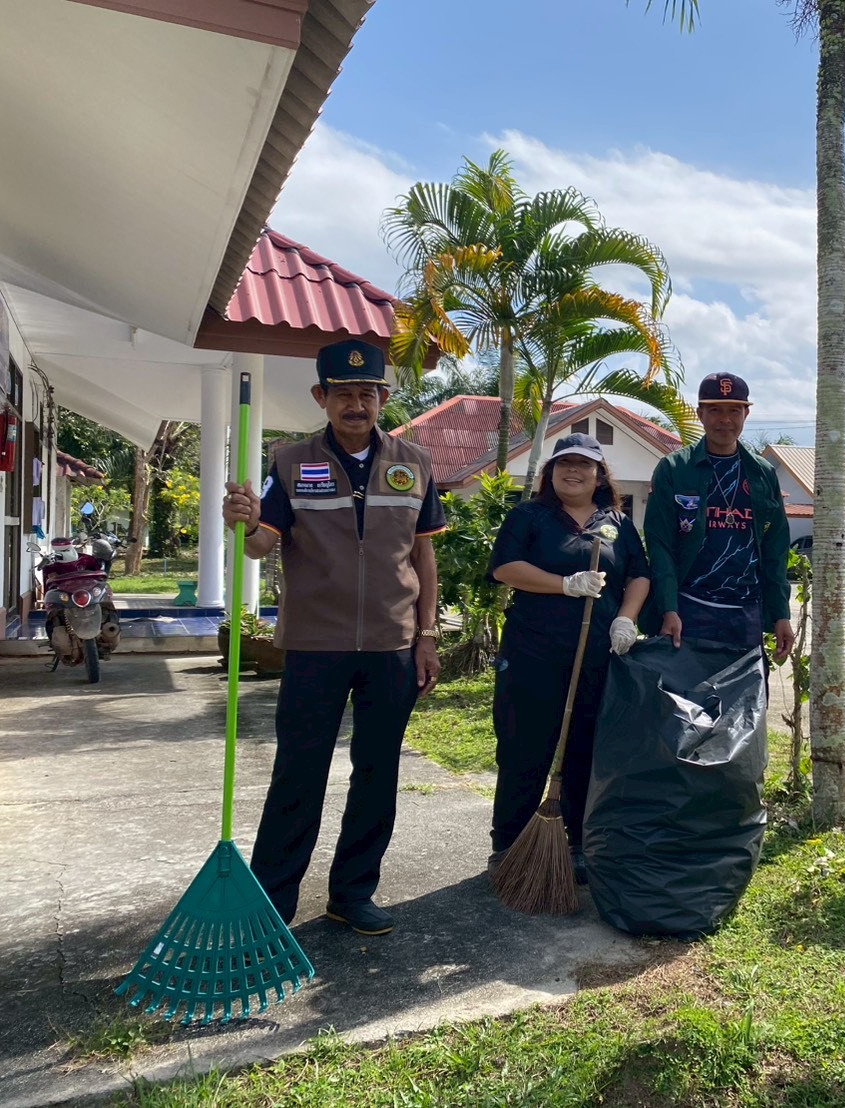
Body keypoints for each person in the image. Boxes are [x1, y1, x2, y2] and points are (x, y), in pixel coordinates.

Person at [221, 339, 446, 936]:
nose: (356, 404)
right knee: (299, 772)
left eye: (367, 393)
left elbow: (424, 559)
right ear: (321, 397)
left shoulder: (415, 464)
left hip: (393, 646)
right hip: (315, 646)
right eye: (343, 393)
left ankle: (353, 893)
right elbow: (261, 543)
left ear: (383, 399)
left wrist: (426, 635)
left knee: (378, 772)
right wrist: (244, 520)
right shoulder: (291, 462)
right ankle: (272, 906)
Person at [488, 433, 650, 884]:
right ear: (550, 472)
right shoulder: (529, 516)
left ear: (599, 475)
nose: (573, 471)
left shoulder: (617, 522)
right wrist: (565, 584)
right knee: (525, 748)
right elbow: (505, 568)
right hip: (533, 653)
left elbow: (639, 574)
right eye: (564, 464)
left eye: (584, 464)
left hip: (596, 655)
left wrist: (625, 619)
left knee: (584, 751)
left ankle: (576, 845)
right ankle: (509, 845)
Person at [642, 372, 794, 662]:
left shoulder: (762, 474)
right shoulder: (674, 469)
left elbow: (776, 550)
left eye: (734, 410)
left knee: (746, 691)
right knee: (685, 692)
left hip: (745, 613)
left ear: (746, 414)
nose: (725, 419)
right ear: (700, 414)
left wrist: (781, 615)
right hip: (689, 610)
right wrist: (668, 609)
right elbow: (660, 546)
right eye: (715, 410)